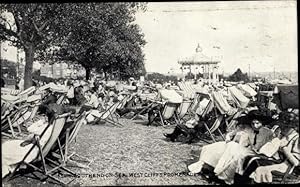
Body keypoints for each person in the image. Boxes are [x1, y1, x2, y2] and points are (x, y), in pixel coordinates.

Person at [188, 110, 275, 184]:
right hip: (242, 147)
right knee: (222, 147)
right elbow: (231, 135)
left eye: (257, 123)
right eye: (253, 123)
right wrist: (229, 139)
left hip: (254, 152)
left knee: (234, 150)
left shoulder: (268, 133)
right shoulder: (247, 129)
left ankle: (223, 175)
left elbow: (269, 145)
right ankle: (209, 168)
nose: (255, 126)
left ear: (262, 123)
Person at [240, 111, 299, 184]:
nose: (281, 129)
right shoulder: (283, 135)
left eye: (283, 126)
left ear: (290, 127)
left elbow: (296, 163)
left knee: (259, 169)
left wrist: (284, 149)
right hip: (276, 159)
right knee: (250, 159)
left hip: (286, 166)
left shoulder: (296, 139)